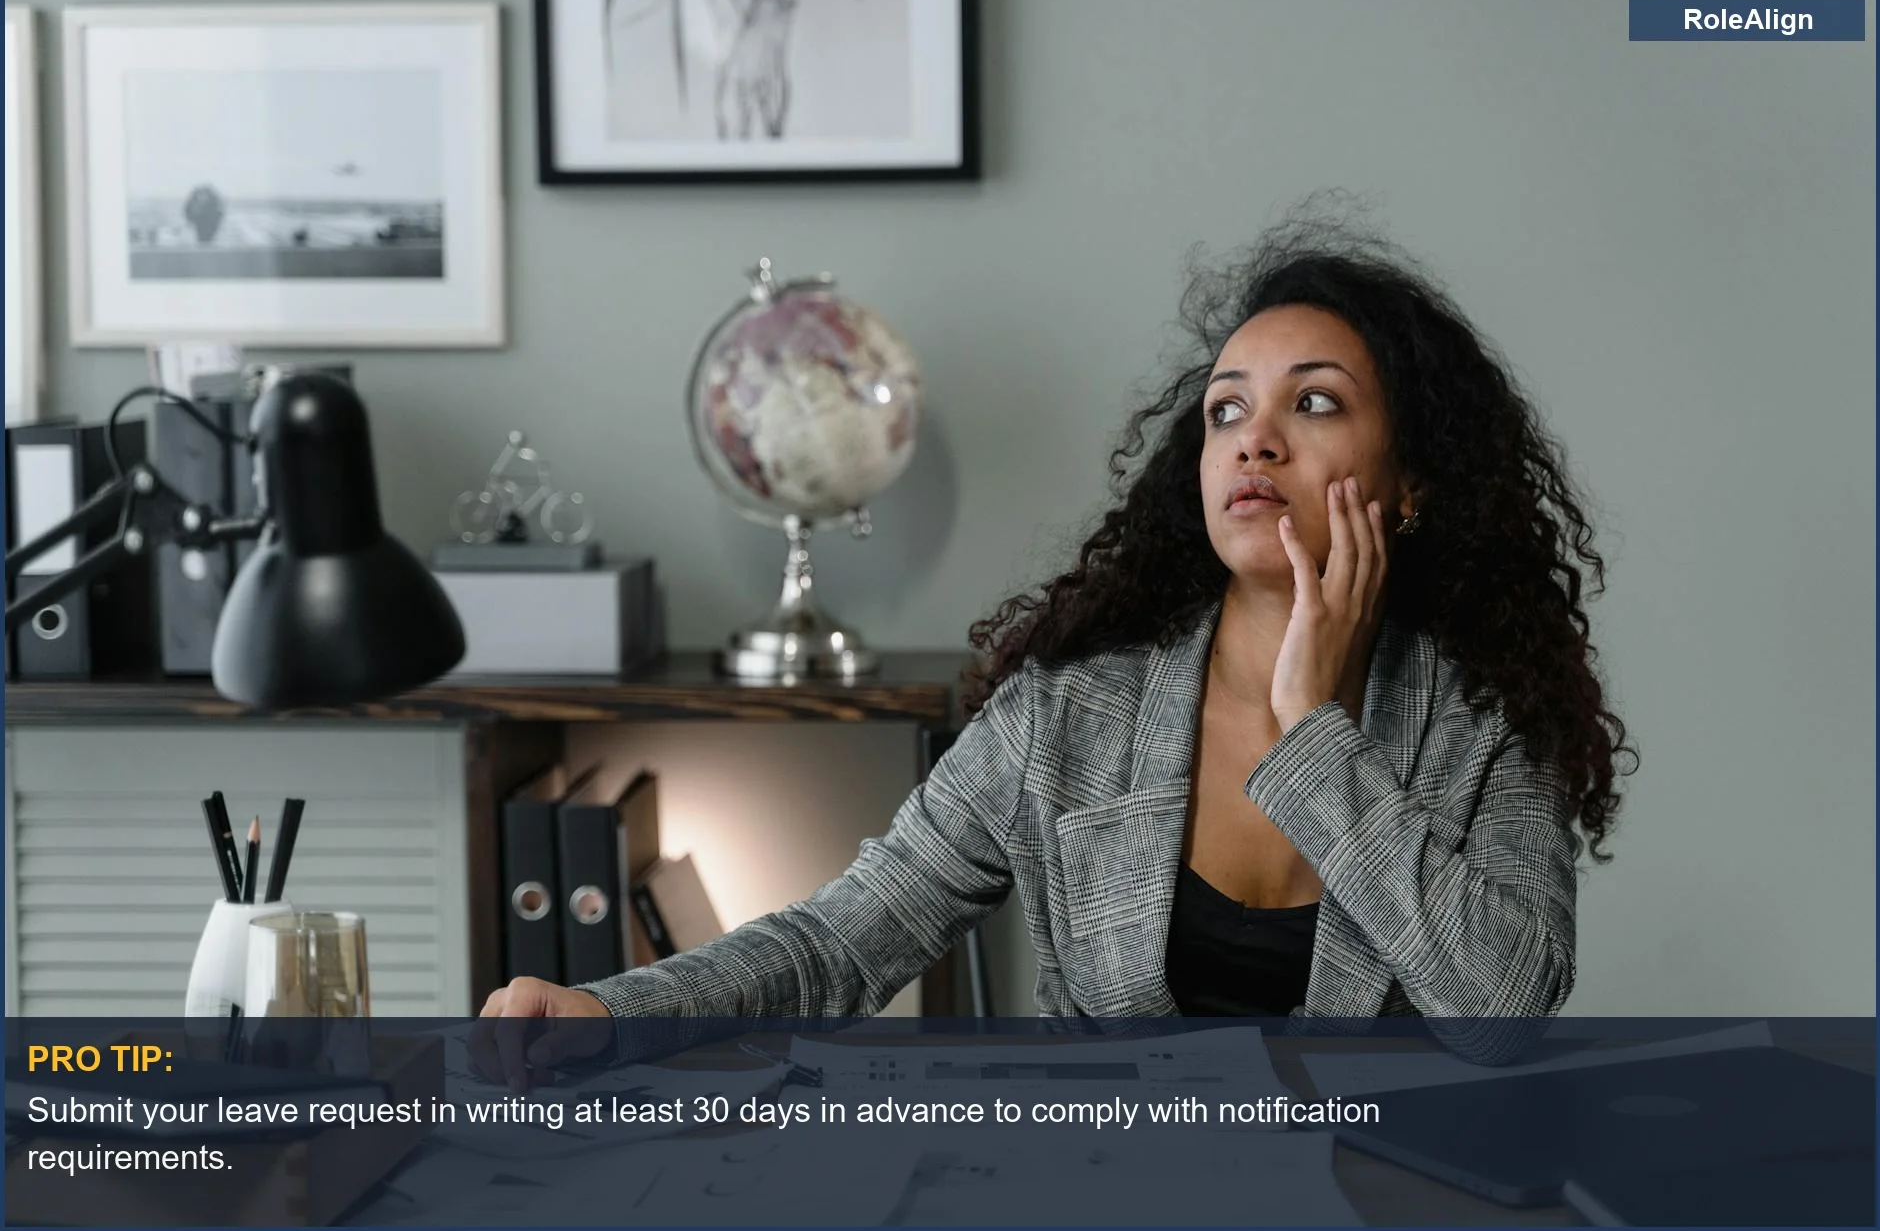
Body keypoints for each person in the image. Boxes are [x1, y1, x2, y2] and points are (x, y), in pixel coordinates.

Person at [479, 207, 1635, 1054]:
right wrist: (607, 1010)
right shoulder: (1069, 712)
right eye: (1225, 408)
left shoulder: (1480, 721)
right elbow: (844, 941)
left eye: (1313, 402)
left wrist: (1314, 735)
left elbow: (1500, 1013)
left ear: (1412, 483)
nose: (1252, 439)